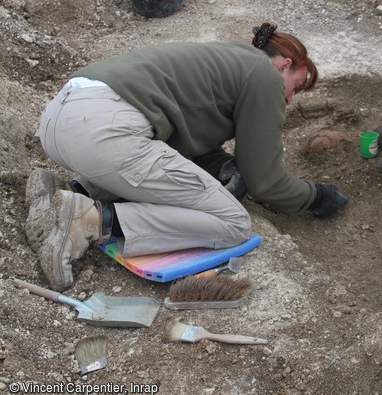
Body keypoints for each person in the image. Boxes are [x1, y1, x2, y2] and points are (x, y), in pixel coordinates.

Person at [26, 23, 349, 291]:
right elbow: (266, 183)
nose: (290, 99)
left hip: (61, 122)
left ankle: (72, 193)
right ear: (285, 64)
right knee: (233, 224)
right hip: (106, 135)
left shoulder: (223, 58)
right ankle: (92, 220)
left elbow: (178, 139)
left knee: (142, 167)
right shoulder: (264, 76)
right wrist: (315, 196)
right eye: (298, 85)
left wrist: (220, 165)